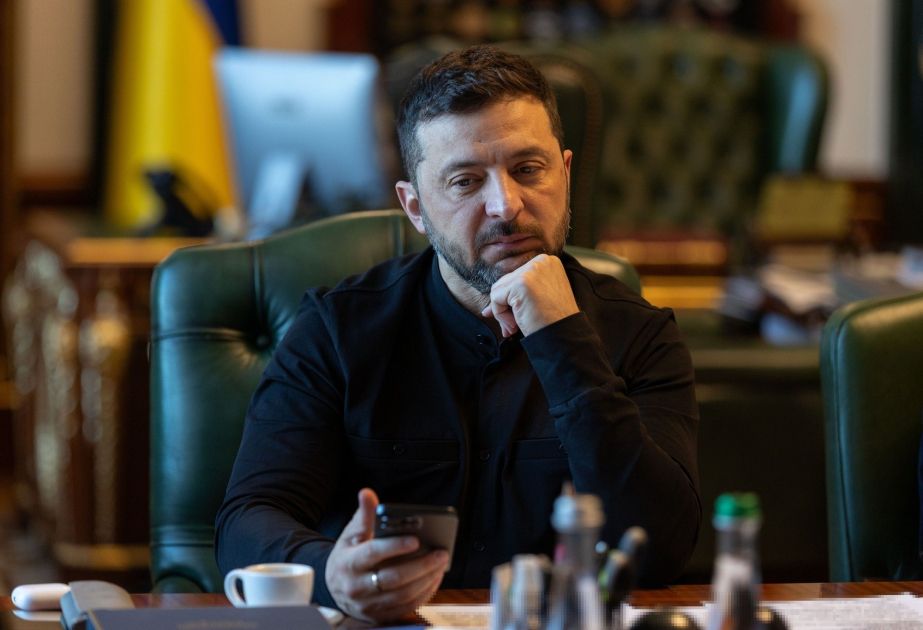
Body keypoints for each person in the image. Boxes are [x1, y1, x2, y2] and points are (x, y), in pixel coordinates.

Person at [215, 45, 700, 622]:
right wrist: (331, 575)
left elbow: (660, 550)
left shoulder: (640, 335)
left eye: (528, 170)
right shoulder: (337, 331)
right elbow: (246, 524)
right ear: (415, 207)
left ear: (565, 174)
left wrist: (563, 340)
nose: (506, 206)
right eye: (466, 181)